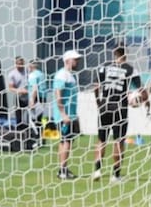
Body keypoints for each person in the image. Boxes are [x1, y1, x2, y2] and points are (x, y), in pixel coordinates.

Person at [92, 46, 135, 183]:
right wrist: (137, 99)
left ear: (114, 54)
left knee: (101, 139)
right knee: (118, 141)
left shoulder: (104, 67)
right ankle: (115, 175)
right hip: (120, 108)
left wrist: (99, 102)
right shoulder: (129, 68)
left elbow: (96, 86)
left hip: (104, 107)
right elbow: (139, 89)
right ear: (125, 55)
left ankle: (97, 171)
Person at [53, 49, 83, 180]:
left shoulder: (70, 75)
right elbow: (58, 96)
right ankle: (63, 171)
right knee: (67, 141)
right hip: (64, 115)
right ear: (67, 60)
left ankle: (62, 169)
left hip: (70, 114)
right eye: (75, 59)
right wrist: (63, 115)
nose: (77, 61)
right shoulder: (62, 75)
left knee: (65, 141)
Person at [6, 55, 28, 126]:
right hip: (19, 97)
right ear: (16, 64)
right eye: (19, 64)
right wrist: (20, 90)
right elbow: (11, 87)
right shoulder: (12, 74)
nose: (20, 66)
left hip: (30, 97)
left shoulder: (27, 71)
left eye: (22, 64)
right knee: (19, 117)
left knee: (31, 116)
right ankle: (19, 131)